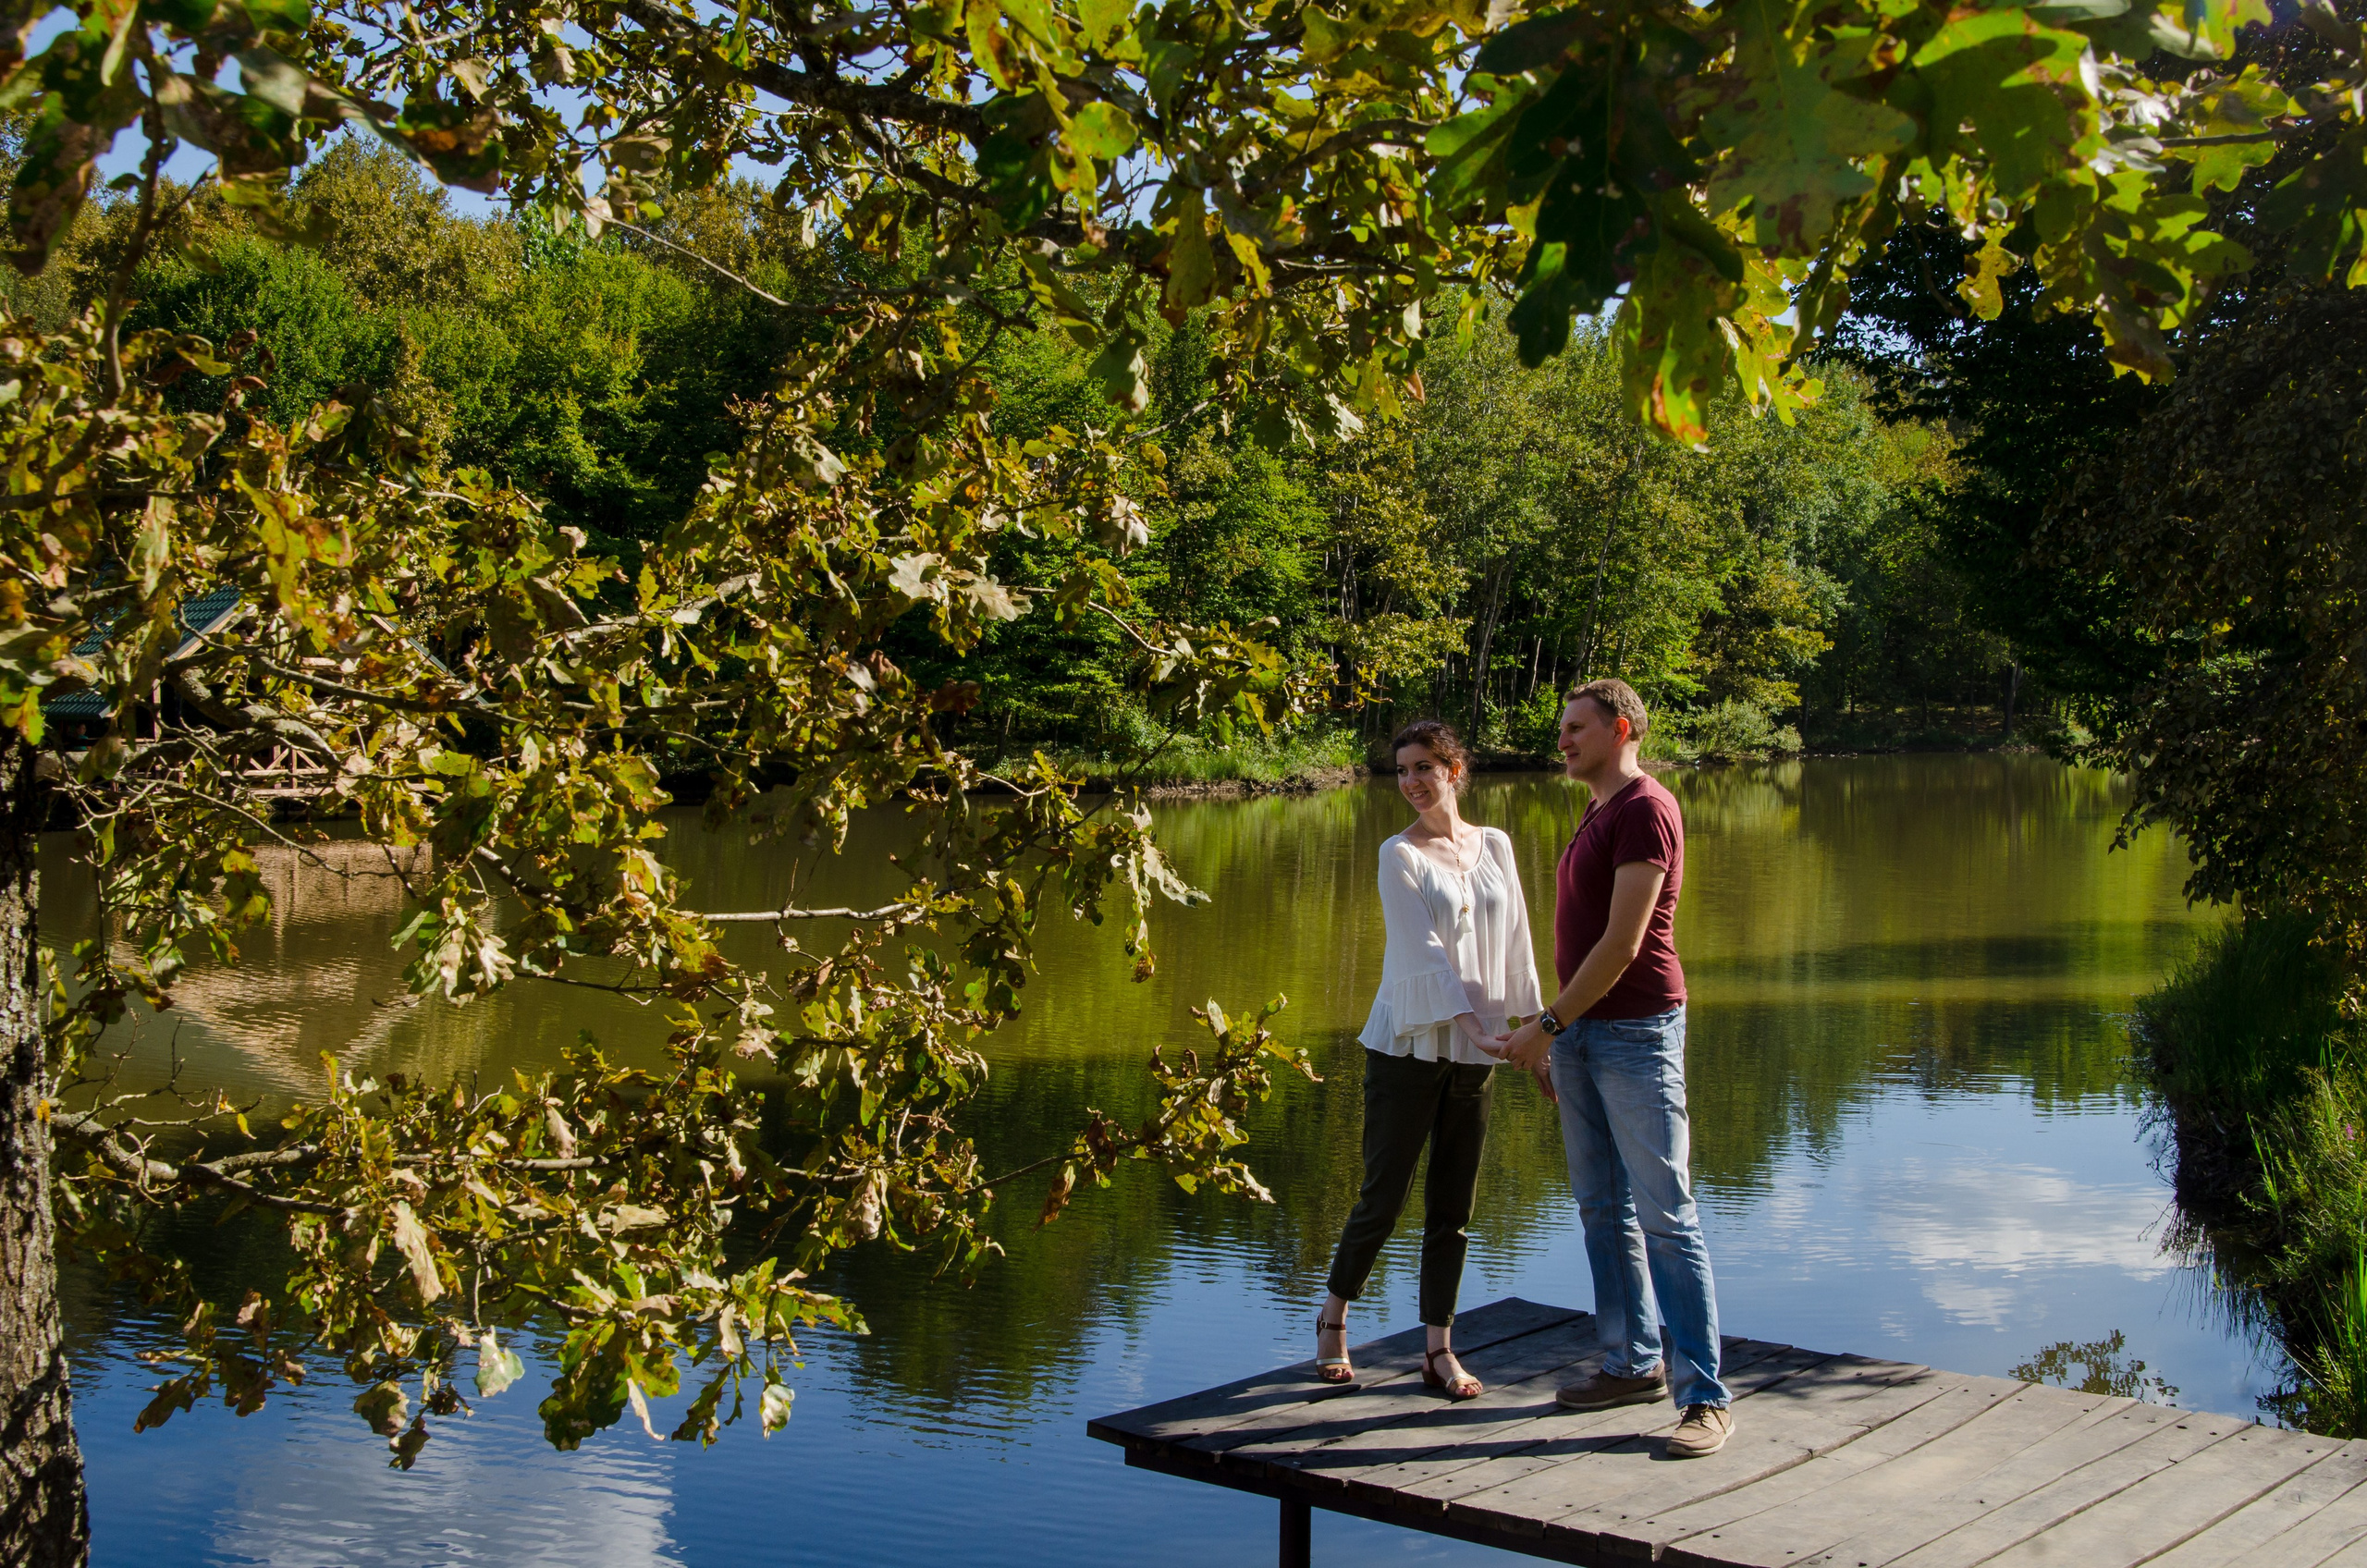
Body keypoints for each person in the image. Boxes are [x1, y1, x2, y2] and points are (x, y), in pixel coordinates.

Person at [1486, 680, 1735, 1458]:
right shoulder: (1598, 809)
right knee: (1602, 1208)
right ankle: (1630, 1364)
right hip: (1584, 1035)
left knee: (1667, 1216)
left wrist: (1547, 1024)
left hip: (1635, 1035)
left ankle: (1705, 1398)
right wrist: (1557, 1030)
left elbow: (1625, 944)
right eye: (1560, 728)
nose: (1561, 740)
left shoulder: (1645, 809)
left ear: (1620, 729)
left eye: (1575, 728)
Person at [1316, 719, 1542, 1400]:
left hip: (1483, 1047)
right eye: (1402, 770)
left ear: (1455, 770)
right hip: (1409, 1044)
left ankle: (1439, 1350)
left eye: (1424, 767)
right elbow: (1425, 954)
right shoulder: (1398, 855)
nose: (1411, 782)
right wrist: (1474, 1028)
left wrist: (1535, 1036)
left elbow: (1519, 944)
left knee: (1455, 1203)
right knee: (1382, 1198)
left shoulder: (1496, 844)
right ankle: (1334, 1317)